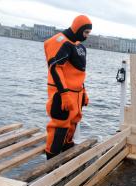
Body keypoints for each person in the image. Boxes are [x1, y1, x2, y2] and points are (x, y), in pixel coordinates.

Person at [44, 15, 92, 159]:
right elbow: (55, 68)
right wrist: (64, 94)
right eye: (86, 32)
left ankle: (66, 153)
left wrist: (84, 92)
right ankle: (51, 161)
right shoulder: (64, 43)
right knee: (60, 125)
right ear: (78, 28)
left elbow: (78, 72)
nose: (86, 36)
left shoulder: (79, 46)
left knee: (74, 122)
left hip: (76, 93)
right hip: (63, 93)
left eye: (88, 33)